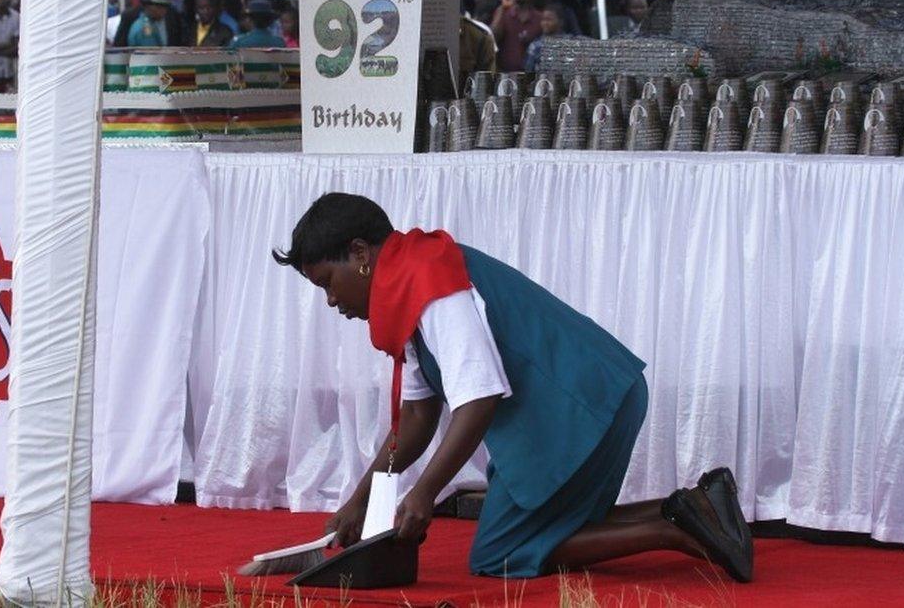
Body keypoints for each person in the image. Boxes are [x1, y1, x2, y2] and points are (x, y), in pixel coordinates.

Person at [272, 193, 754, 582]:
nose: (332, 300)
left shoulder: (427, 280)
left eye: (327, 283)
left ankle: (680, 532)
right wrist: (358, 499)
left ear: (359, 254)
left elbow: (478, 398)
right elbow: (417, 420)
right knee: (531, 530)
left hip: (583, 407)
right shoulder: (410, 285)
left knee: (500, 553)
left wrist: (424, 493)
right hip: (582, 402)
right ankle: (698, 508)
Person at [490, 0, 542, 72]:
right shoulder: (503, 12)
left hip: (530, 74)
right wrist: (503, 7)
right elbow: (493, 38)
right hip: (504, 73)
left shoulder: (539, 18)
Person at [523, 4, 566, 73]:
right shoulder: (536, 46)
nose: (545, 23)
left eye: (549, 20)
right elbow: (528, 71)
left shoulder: (569, 44)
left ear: (560, 22)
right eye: (543, 20)